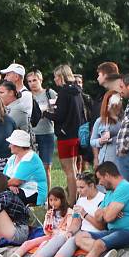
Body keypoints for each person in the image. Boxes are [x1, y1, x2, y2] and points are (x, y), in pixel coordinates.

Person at [52, 161, 129, 257]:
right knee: (79, 237)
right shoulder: (110, 193)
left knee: (99, 244)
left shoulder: (124, 188)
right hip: (115, 231)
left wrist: (106, 211)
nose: (100, 183)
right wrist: (109, 209)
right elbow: (98, 215)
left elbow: (107, 217)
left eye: (100, 179)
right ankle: (105, 254)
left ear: (107, 175)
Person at [19, 172, 107, 257]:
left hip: (95, 234)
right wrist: (70, 231)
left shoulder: (102, 199)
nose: (78, 190)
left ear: (92, 186)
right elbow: (76, 221)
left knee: (72, 240)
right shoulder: (81, 199)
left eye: (81, 187)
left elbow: (102, 226)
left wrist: (84, 214)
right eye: (77, 187)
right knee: (62, 236)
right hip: (81, 232)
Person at [0, 186, 72, 257]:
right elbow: (47, 231)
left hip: (59, 239)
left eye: (56, 200)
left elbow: (69, 229)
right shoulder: (51, 212)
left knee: (42, 245)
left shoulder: (69, 212)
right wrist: (47, 219)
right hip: (50, 236)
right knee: (27, 243)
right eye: (50, 200)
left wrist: (56, 232)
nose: (53, 202)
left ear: (62, 200)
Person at [43, 64, 82, 199]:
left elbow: (59, 115)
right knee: (74, 168)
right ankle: (76, 196)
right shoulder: (77, 90)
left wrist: (46, 113)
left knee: (69, 170)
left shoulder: (64, 92)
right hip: (76, 134)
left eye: (55, 77)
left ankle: (72, 200)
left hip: (66, 136)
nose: (54, 80)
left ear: (61, 77)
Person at [26, 70, 57, 184]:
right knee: (31, 167)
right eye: (29, 81)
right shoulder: (26, 96)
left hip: (46, 132)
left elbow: (56, 112)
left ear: (40, 80)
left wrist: (46, 111)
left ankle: (48, 197)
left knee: (46, 166)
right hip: (31, 134)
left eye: (34, 80)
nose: (32, 83)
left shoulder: (49, 93)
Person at [3, 129, 47, 206]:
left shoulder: (30, 158)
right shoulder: (12, 158)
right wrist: (9, 186)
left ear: (18, 145)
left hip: (33, 192)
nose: (9, 146)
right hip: (16, 189)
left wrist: (0, 186)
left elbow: (16, 181)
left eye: (11, 143)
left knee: (4, 197)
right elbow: (4, 177)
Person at [90, 90, 122, 168]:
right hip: (104, 160)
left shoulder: (123, 121)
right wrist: (100, 141)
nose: (112, 106)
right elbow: (92, 141)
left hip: (119, 161)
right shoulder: (100, 121)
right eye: (110, 102)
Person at [0, 64, 33, 136]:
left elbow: (15, 119)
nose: (5, 78)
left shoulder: (25, 95)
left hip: (19, 138)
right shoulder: (13, 94)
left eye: (7, 75)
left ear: (16, 77)